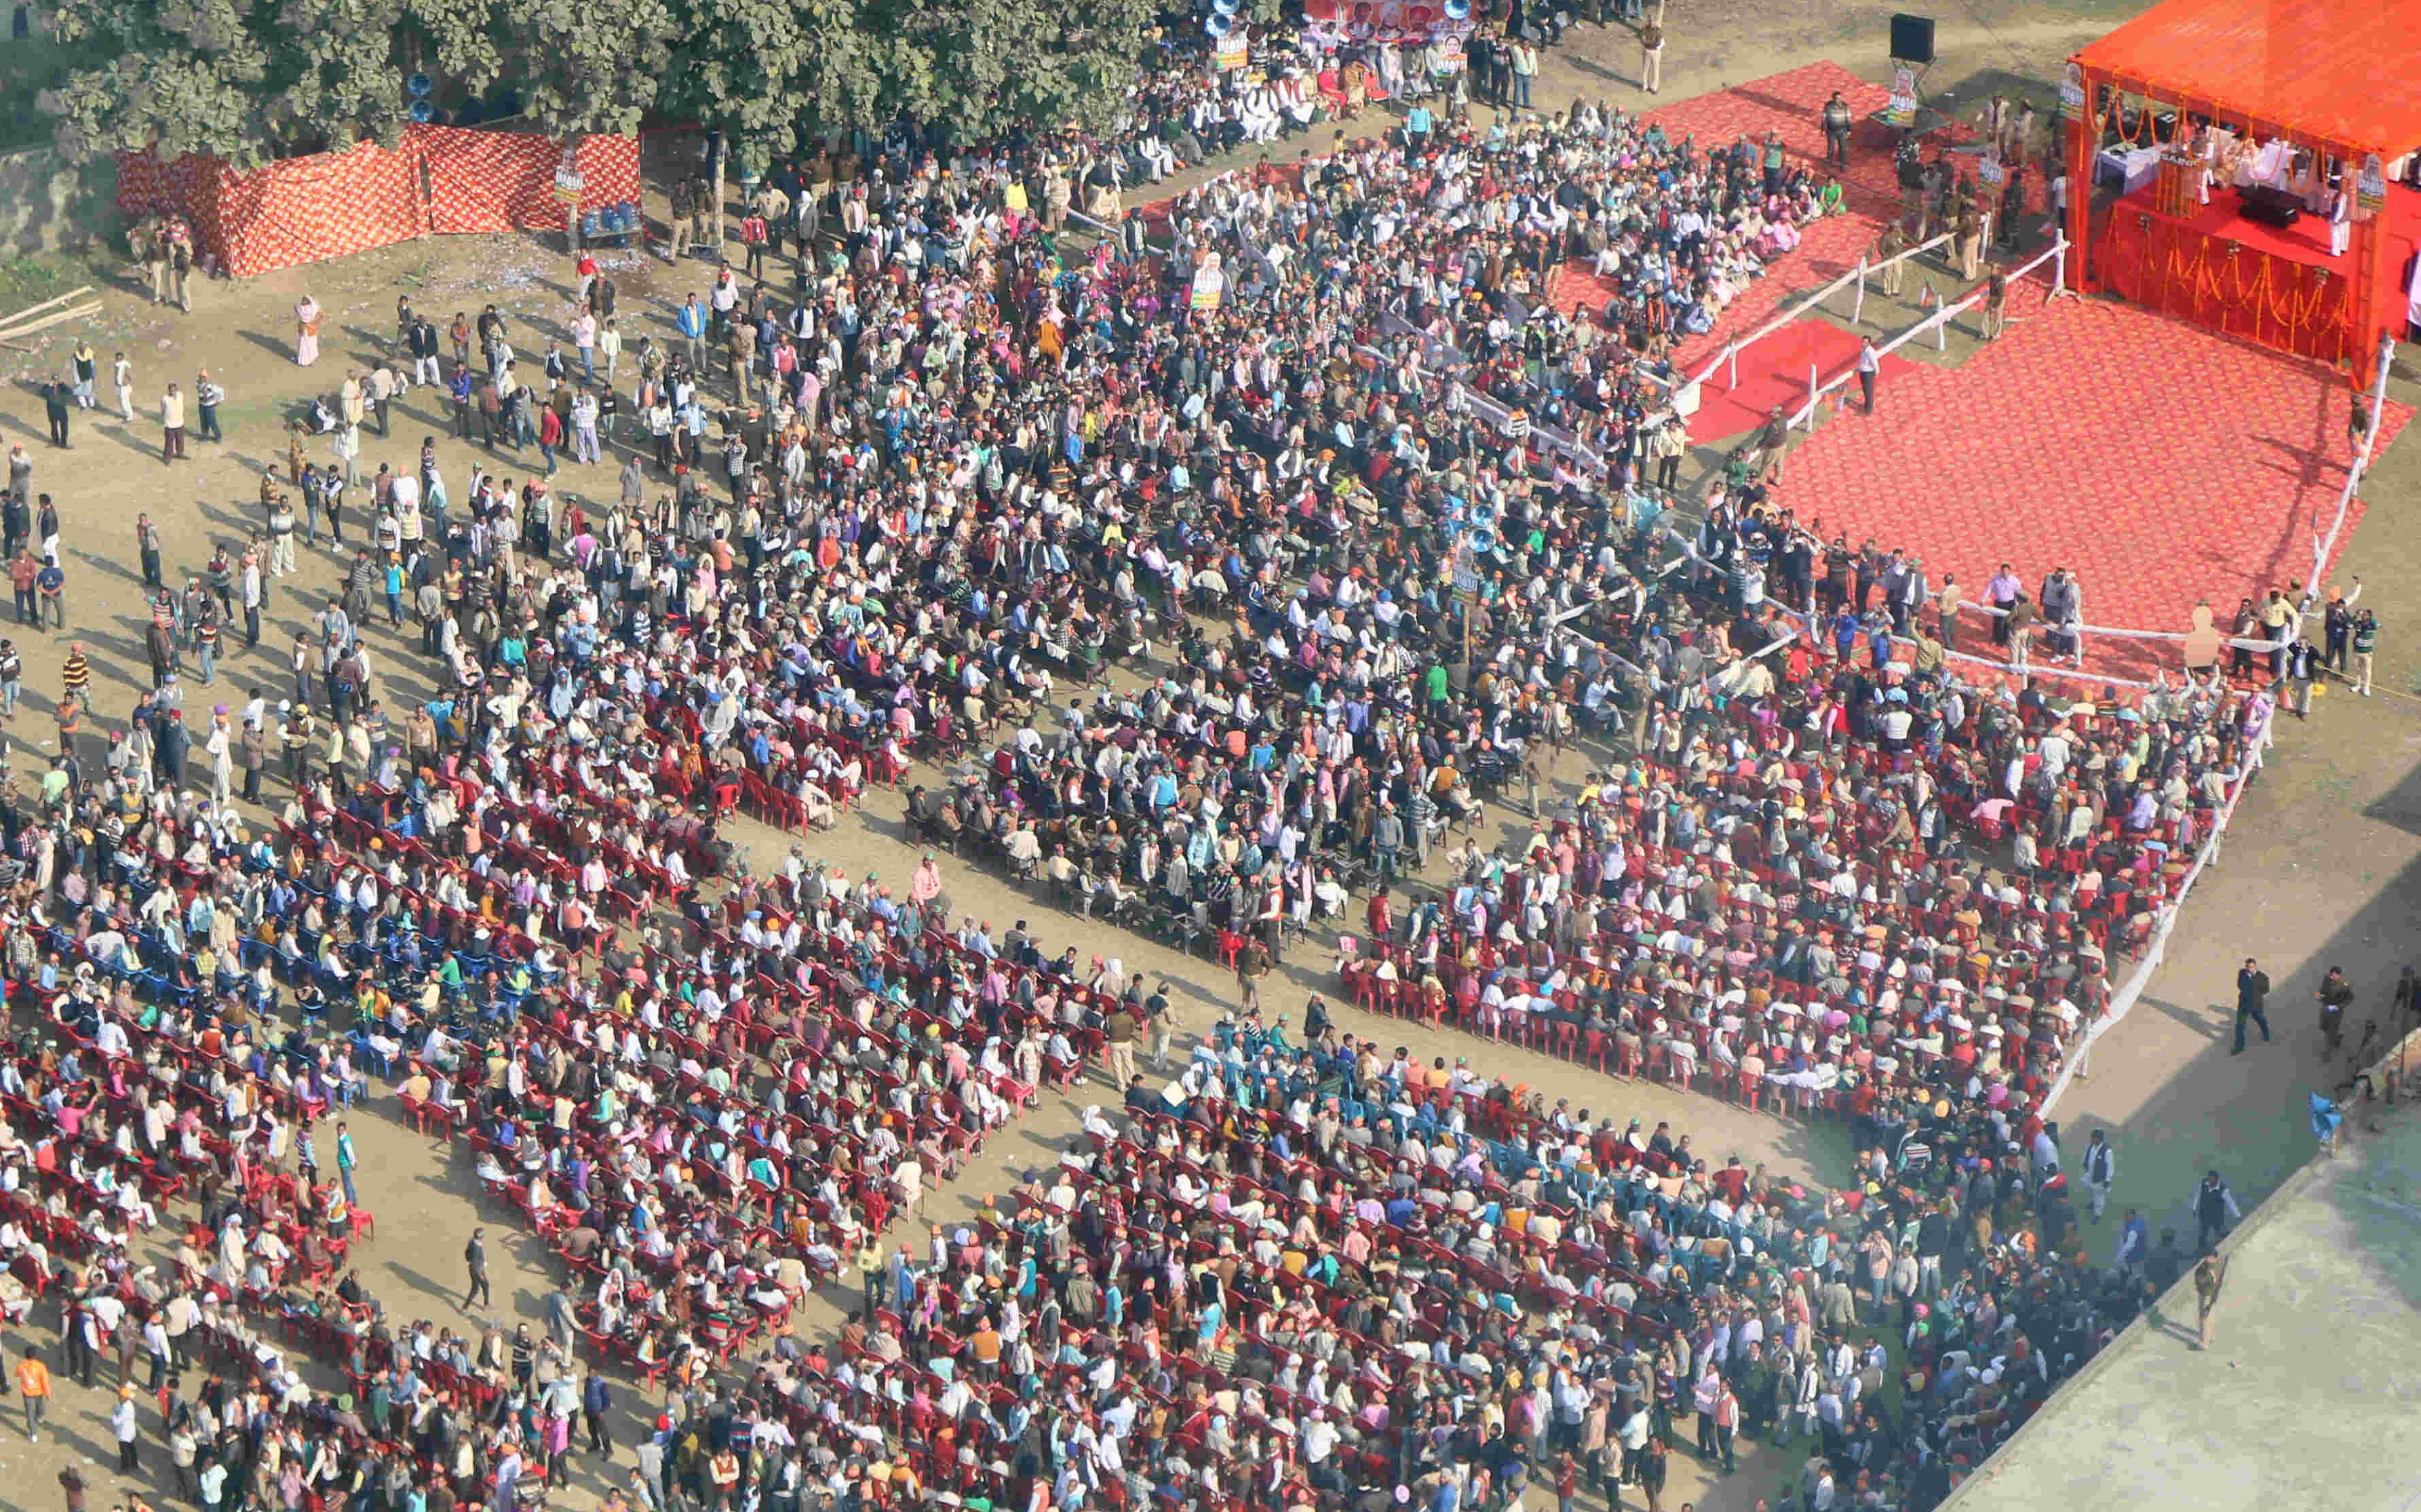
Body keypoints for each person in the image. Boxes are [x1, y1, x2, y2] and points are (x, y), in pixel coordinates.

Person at [2193, 1171, 2240, 1251]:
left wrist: (2237, 1215)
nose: (2210, 1182)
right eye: (2209, 1180)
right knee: (2203, 1234)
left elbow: (2230, 1203)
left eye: (2212, 1180)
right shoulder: (2204, 1183)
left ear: (2217, 1180)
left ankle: (2227, 1244)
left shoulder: (2223, 1189)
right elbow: (2198, 1194)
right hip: (2204, 1215)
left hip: (2217, 1217)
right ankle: (2201, 1249)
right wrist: (2195, 1208)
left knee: (2220, 1233)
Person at [2233, 958, 2272, 1053]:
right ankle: (2239, 1047)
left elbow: (2266, 990)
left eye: (2251, 967)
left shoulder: (2262, 977)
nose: (2249, 969)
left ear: (2255, 967)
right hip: (2243, 1004)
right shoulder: (2242, 973)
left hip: (2256, 1005)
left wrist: (2254, 992)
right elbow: (2240, 985)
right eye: (2247, 967)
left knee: (2260, 1019)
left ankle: (2266, 1033)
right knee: (2239, 1026)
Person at [2192, 1249, 2227, 1349]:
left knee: (2205, 1318)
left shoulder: (2212, 1270)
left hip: (2208, 1295)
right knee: (2207, 1317)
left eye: (2210, 1258)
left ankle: (2204, 1342)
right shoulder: (2206, 1266)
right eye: (2207, 1257)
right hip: (2204, 1294)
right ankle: (2208, 1338)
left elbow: (2211, 1283)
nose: (2208, 1259)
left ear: (2215, 1259)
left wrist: (2201, 1282)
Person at [2317, 965, 2353, 1054]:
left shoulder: (2344, 986)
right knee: (2323, 1027)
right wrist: (2319, 995)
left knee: (2331, 1031)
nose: (2332, 977)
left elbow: (2350, 998)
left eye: (2335, 975)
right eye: (2331, 975)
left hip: (2336, 1011)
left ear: (2339, 975)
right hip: (2326, 1008)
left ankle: (2327, 1053)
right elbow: (2322, 990)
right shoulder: (2327, 980)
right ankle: (2337, 1037)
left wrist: (2340, 1006)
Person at [2080, 1129, 2115, 1220]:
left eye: (2093, 1138)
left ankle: (2097, 1215)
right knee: (2089, 1188)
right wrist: (2085, 1163)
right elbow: (2087, 1155)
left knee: (2099, 1197)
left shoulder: (2107, 1151)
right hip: (2091, 1174)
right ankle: (2093, 1202)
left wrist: (2107, 1180)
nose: (2091, 1139)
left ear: (2098, 1139)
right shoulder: (2092, 1146)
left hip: (2099, 1178)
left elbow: (2110, 1167)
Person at [16, 1344, 50, 1439]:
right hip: (39, 1393)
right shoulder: (41, 1367)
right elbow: (45, 1382)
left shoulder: (21, 1365)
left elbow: (17, 1373)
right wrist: (48, 1394)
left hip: (27, 1394)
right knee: (41, 1407)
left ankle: (33, 1434)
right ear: (36, 1356)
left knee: (30, 1413)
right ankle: (40, 1417)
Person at [1821, 90, 1854, 167]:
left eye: (1839, 98)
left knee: (1843, 148)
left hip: (1842, 131)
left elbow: (1848, 118)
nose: (1838, 100)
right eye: (1836, 98)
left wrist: (1849, 130)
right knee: (1831, 148)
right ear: (1833, 99)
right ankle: (1829, 161)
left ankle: (1843, 164)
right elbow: (1824, 118)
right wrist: (1823, 129)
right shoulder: (1828, 106)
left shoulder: (1846, 107)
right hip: (1831, 131)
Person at [465, 1226, 493, 1309]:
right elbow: (475, 1263)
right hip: (477, 1271)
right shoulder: (476, 1248)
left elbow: (468, 1254)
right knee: (475, 1290)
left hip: (476, 1269)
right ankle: (464, 1308)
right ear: (481, 1236)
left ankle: (486, 1304)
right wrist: (480, 1273)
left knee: (485, 1285)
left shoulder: (473, 1241)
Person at [1639, 12, 1665, 94]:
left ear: (1655, 21)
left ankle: (1654, 87)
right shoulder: (1644, 29)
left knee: (1655, 70)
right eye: (1650, 20)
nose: (1651, 22)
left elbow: (1658, 42)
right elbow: (1643, 41)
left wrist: (1648, 42)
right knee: (1645, 69)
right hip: (1647, 51)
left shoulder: (1658, 30)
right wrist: (1651, 42)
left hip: (1655, 52)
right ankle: (1645, 86)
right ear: (1648, 21)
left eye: (1653, 21)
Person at [295, 294, 323, 366]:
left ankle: (302, 361)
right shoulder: (313, 309)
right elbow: (321, 313)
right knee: (311, 345)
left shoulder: (300, 308)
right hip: (311, 328)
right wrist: (316, 321)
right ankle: (311, 361)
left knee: (303, 344)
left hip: (302, 327)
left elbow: (295, 306)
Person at [1855, 336, 1880, 413]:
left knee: (1868, 392)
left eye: (1865, 342)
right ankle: (1866, 406)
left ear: (1869, 343)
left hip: (1868, 374)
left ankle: (1868, 410)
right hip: (1863, 373)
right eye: (1862, 342)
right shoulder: (1864, 350)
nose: (1863, 343)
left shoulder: (1870, 352)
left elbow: (1874, 363)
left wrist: (1876, 372)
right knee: (1865, 391)